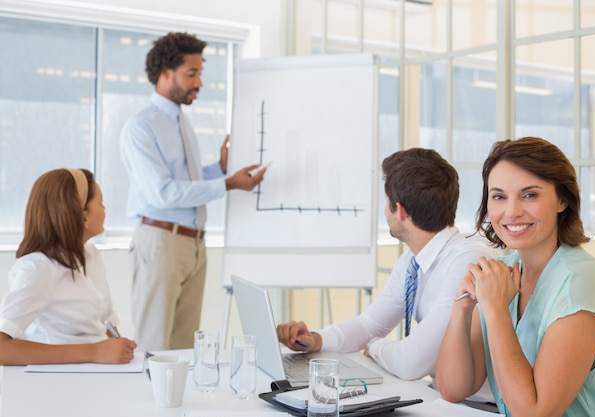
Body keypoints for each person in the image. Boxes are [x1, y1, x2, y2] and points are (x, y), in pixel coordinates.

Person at [436, 137, 595, 417]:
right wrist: (462, 308)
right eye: (499, 196)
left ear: (562, 200)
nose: (512, 211)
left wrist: (497, 310)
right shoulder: (505, 272)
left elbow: (534, 412)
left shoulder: (581, 283)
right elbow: (454, 388)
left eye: (530, 195)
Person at [276, 148, 498, 380]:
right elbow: (368, 324)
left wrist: (374, 346)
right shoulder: (411, 263)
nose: (385, 211)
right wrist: (315, 340)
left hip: (478, 407)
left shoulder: (467, 260)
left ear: (399, 210)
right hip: (441, 396)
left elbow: (410, 363)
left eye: (386, 203)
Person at [120, 32, 265, 351]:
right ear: (165, 74)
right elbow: (163, 194)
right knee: (153, 347)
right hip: (161, 243)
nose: (199, 82)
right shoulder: (141, 126)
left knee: (184, 348)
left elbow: (188, 181)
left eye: (200, 73)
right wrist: (227, 184)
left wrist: (220, 169)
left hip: (193, 244)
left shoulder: (181, 122)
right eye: (192, 74)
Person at [0, 168, 136, 365]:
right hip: (56, 382)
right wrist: (94, 352)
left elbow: (105, 324)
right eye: (100, 202)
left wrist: (119, 348)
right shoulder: (39, 268)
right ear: (83, 215)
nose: (105, 209)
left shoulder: (91, 255)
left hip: (93, 374)